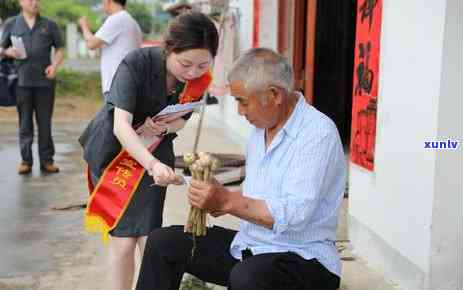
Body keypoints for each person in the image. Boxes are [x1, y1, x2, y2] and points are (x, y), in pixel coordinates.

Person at [135, 48, 347, 290]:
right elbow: (255, 198)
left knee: (248, 277)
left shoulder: (317, 133)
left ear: (274, 95)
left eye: (243, 102)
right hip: (251, 245)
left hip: (305, 259)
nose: (240, 111)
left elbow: (294, 216)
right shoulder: (260, 130)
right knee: (164, 243)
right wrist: (216, 195)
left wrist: (227, 201)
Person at [78, 12, 218, 290]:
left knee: (149, 236)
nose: (192, 72)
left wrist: (163, 129)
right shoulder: (136, 63)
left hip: (156, 151)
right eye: (185, 63)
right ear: (169, 49)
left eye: (203, 64)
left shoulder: (198, 80)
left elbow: (183, 118)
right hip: (115, 154)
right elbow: (121, 125)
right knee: (123, 239)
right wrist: (152, 165)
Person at [0, 0, 64, 175]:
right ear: (21, 2)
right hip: (21, 83)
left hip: (45, 82)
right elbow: (1, 48)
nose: (34, 2)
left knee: (45, 123)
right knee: (25, 123)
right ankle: (26, 161)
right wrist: (7, 52)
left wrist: (55, 66)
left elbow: (59, 50)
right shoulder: (12, 23)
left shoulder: (49, 25)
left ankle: (47, 161)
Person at [78, 0, 142, 100]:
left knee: (114, 115)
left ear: (109, 1)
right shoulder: (132, 22)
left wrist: (84, 27)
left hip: (116, 83)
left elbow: (91, 44)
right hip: (128, 82)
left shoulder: (117, 18)